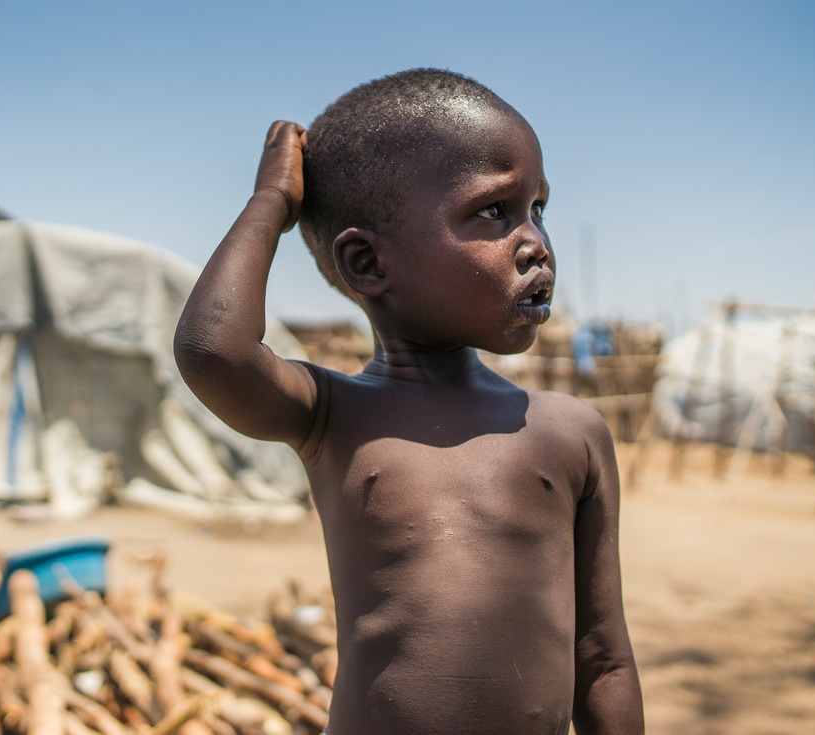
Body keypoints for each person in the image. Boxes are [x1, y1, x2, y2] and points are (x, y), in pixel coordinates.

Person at [173, 68, 643, 735]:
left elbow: (604, 659)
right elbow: (213, 352)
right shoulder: (335, 417)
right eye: (495, 211)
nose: (537, 243)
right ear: (368, 263)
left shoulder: (571, 432)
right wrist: (270, 204)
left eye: (538, 208)